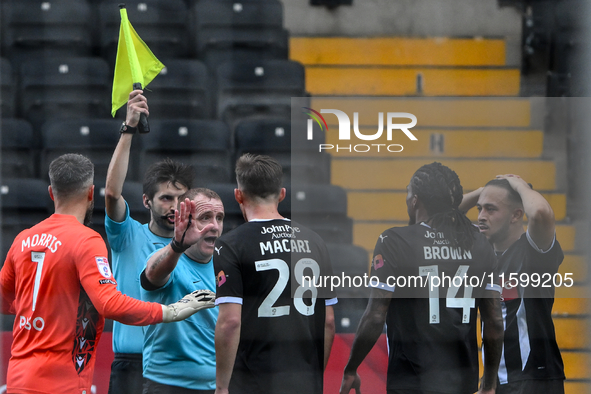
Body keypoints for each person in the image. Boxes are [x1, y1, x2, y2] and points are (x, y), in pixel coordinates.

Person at [0, 153, 215, 394]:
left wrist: (44, 309)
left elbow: (4, 300)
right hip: (63, 381)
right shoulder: (86, 240)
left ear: (51, 193)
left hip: (18, 377)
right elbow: (109, 303)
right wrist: (171, 311)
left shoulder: (23, 239)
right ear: (92, 193)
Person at [340, 162, 504, 394]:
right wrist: (489, 385)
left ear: (415, 199)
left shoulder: (394, 241)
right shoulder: (479, 243)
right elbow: (495, 322)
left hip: (411, 381)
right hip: (462, 382)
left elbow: (376, 315)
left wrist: (351, 368)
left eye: (408, 193)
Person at [213, 153, 337, 394]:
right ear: (282, 194)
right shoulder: (315, 241)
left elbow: (230, 322)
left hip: (253, 382)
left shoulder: (230, 245)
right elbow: (329, 322)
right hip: (304, 381)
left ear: (238, 195)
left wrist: (221, 387)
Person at [104, 89, 195, 394]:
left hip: (178, 365)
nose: (175, 206)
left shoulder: (200, 249)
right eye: (167, 198)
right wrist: (129, 127)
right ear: (147, 201)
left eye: (182, 199)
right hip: (131, 363)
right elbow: (112, 194)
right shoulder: (126, 234)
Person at [460, 174, 565, 394]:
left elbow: (539, 213)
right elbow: (441, 217)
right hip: (493, 383)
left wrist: (519, 185)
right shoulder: (482, 253)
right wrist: (486, 190)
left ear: (516, 215)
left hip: (534, 380)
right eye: (479, 208)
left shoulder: (533, 252)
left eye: (491, 209)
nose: (481, 216)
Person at [140, 188, 225, 394]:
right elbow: (151, 275)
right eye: (205, 217)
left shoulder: (228, 266)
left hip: (216, 387)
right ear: (184, 221)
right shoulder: (169, 259)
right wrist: (177, 246)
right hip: (166, 386)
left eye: (219, 218)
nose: (214, 226)